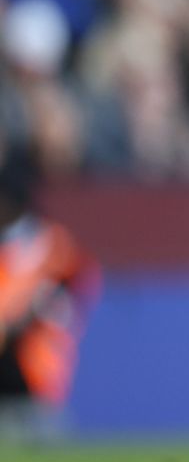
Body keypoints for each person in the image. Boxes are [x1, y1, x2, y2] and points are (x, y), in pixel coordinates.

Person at [0, 148, 101, 419]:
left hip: (31, 366)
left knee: (34, 429)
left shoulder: (48, 243)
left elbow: (79, 281)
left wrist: (46, 305)